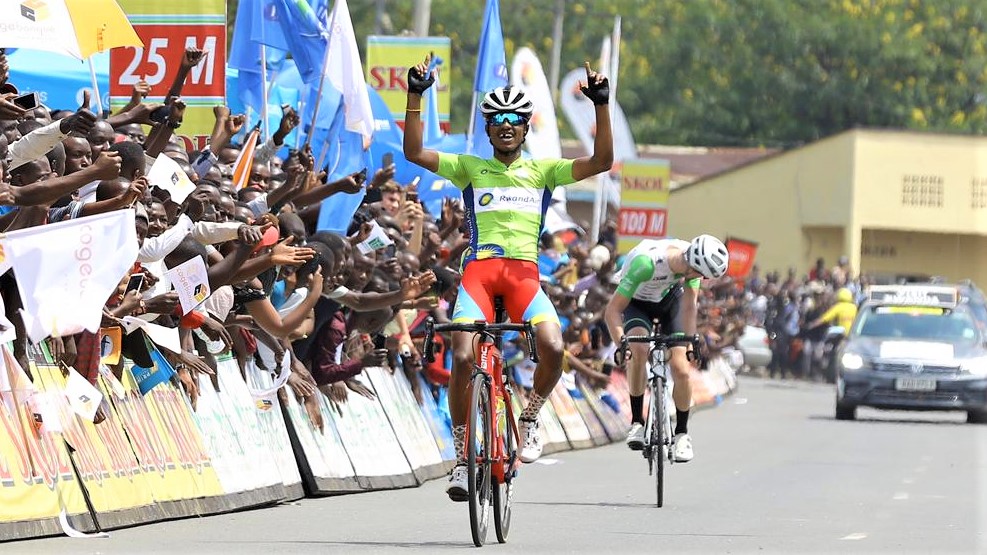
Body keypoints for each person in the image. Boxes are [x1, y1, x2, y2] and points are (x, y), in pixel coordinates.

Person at [403, 54, 613, 501]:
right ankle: (462, 459)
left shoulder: (544, 170)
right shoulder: (468, 167)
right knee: (462, 359)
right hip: (478, 275)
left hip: (524, 279)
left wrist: (601, 105)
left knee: (554, 348)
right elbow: (414, 152)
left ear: (524, 126)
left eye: (514, 120)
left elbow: (602, 161)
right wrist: (416, 96)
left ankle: (531, 418)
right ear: (487, 127)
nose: (504, 126)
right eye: (496, 119)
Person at [603, 235, 729, 463]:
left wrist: (690, 342)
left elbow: (689, 306)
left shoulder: (691, 264)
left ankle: (682, 434)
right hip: (637, 304)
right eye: (701, 275)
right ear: (692, 266)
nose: (701, 279)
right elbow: (612, 311)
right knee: (638, 351)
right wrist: (621, 342)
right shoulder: (646, 264)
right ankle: (637, 423)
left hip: (669, 301)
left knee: (681, 369)